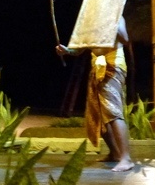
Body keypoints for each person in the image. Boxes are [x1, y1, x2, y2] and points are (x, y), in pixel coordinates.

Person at [56, 16, 134, 172]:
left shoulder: (116, 15)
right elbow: (79, 49)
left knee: (112, 111)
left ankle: (126, 158)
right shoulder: (90, 18)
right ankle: (115, 153)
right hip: (96, 69)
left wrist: (111, 20)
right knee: (97, 113)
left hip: (113, 66)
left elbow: (125, 39)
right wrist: (67, 51)